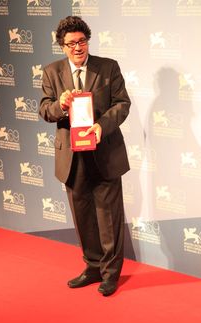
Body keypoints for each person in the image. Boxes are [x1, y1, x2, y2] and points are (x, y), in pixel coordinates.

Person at [39, 16, 131, 296]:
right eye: (71, 43)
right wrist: (60, 105)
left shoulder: (108, 67)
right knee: (83, 216)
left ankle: (110, 273)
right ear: (62, 46)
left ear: (87, 40)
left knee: (109, 217)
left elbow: (122, 104)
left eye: (82, 41)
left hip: (104, 152)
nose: (78, 47)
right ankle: (92, 266)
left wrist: (102, 126)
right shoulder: (52, 72)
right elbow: (44, 110)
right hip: (72, 157)